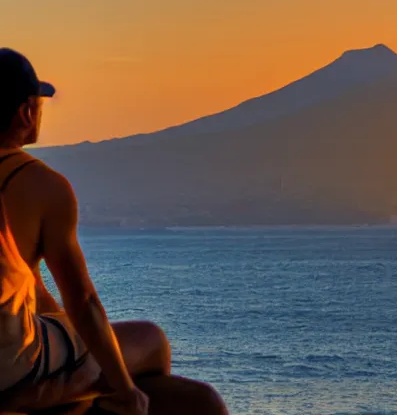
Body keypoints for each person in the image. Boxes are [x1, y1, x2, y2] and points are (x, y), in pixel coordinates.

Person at [0, 48, 229, 415]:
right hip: (11, 368)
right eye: (39, 103)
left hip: (22, 349)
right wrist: (124, 387)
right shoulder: (43, 185)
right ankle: (108, 403)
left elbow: (27, 286)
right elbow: (84, 301)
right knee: (151, 340)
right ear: (26, 112)